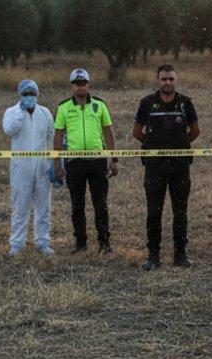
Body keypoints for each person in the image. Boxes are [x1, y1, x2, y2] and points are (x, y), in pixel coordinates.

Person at [134, 64, 200, 269]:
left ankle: (180, 255)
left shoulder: (185, 103)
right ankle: (153, 256)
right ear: (157, 80)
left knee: (180, 211)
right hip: (155, 166)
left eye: (171, 79)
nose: (168, 82)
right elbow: (137, 131)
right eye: (164, 79)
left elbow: (195, 131)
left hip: (180, 166)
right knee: (154, 212)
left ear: (176, 80)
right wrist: (153, 145)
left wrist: (179, 144)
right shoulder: (147, 103)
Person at [53, 68, 118, 254]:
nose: (80, 86)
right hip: (75, 163)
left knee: (101, 204)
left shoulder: (100, 105)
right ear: (72, 86)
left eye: (83, 83)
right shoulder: (63, 107)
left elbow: (108, 132)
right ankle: (80, 243)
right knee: (77, 205)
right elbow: (58, 136)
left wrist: (114, 158)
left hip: (97, 161)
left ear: (88, 84)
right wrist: (57, 164)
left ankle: (104, 243)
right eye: (76, 83)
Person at [3, 79, 55, 256]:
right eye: (26, 94)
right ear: (20, 95)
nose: (30, 97)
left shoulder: (45, 113)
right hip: (21, 167)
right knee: (20, 205)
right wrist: (20, 111)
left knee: (43, 206)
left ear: (37, 95)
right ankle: (17, 243)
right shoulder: (11, 112)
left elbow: (50, 137)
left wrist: (54, 163)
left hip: (42, 166)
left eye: (32, 94)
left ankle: (43, 241)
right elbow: (9, 130)